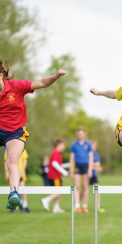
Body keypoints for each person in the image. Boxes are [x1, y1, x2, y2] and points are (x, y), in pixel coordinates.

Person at [0, 59, 66, 210]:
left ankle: (14, 194)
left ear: (1, 75)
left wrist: (55, 76)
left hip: (15, 132)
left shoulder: (16, 86)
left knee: (12, 160)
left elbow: (42, 83)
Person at [69, 128, 93, 213]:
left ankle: (85, 206)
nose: (80, 135)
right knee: (77, 186)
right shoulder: (74, 145)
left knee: (85, 187)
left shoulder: (88, 144)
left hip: (86, 166)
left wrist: (90, 170)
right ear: (77, 135)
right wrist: (71, 171)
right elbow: (71, 159)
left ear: (84, 135)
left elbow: (91, 158)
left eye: (82, 134)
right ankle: (77, 206)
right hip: (77, 166)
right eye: (79, 134)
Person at [41, 139, 68, 213]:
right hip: (55, 176)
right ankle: (46, 200)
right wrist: (64, 172)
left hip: (54, 176)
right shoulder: (56, 153)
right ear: (59, 145)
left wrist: (68, 165)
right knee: (59, 191)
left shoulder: (57, 153)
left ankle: (56, 207)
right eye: (63, 145)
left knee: (58, 191)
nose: (64, 147)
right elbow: (54, 164)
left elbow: (59, 165)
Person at [4, 148, 30, 213]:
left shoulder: (22, 147)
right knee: (12, 190)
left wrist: (22, 171)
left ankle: (25, 206)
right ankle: (14, 207)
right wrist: (7, 172)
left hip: (20, 173)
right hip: (12, 174)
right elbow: (6, 161)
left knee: (23, 190)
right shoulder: (8, 148)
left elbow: (25, 160)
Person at [89, 140, 104, 213]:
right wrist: (93, 165)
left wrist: (97, 167)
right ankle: (78, 206)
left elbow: (98, 166)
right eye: (93, 145)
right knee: (82, 191)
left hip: (93, 175)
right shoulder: (86, 153)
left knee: (97, 189)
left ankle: (98, 206)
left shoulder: (96, 154)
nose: (94, 147)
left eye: (95, 146)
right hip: (85, 174)